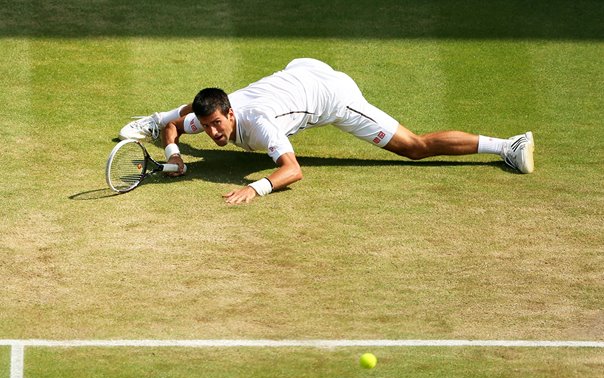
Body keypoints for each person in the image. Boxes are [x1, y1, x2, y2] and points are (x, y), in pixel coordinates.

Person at [120, 58, 535, 205]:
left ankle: (508, 146)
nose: (212, 134)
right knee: (169, 123)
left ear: (230, 113)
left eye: (216, 125)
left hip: (333, 96)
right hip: (301, 70)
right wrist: (173, 155)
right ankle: (148, 119)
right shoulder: (214, 114)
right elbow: (176, 122)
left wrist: (256, 188)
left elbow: (292, 171)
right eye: (207, 127)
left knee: (414, 147)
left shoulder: (261, 126)